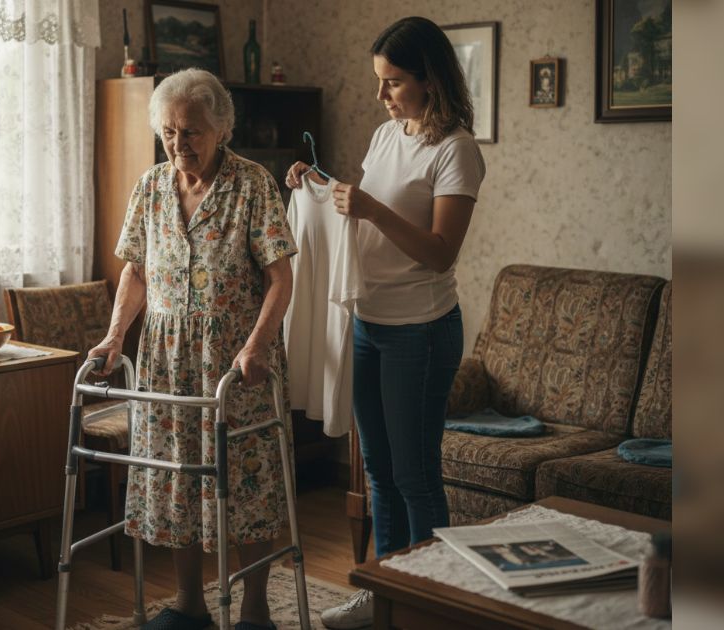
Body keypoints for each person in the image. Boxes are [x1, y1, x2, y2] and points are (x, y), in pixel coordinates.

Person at [286, 16, 486, 629]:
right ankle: (386, 594)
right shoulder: (385, 136)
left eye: (393, 82)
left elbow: (438, 251)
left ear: (430, 79)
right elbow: (354, 218)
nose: (381, 95)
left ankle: (430, 605)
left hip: (421, 332)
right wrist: (315, 184)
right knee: (376, 470)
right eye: (379, 81)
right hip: (366, 323)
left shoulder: (456, 150)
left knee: (415, 474)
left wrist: (369, 207)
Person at [88, 68, 297, 630]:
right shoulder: (151, 186)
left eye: (194, 130)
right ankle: (188, 605)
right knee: (178, 478)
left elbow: (281, 277)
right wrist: (114, 336)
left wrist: (257, 346)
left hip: (235, 361)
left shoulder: (253, 185)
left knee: (246, 480)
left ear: (221, 128)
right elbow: (135, 270)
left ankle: (255, 611)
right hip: (165, 358)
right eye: (171, 131)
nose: (181, 143)